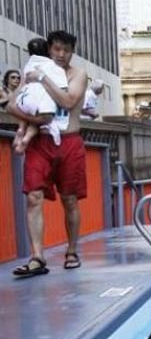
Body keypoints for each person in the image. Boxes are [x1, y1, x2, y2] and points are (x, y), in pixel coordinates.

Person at [7, 30, 88, 277]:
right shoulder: (33, 70)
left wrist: (42, 78)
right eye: (56, 49)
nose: (61, 54)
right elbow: (12, 104)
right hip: (40, 142)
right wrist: (35, 120)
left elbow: (67, 101)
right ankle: (37, 257)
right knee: (33, 196)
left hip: (69, 141)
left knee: (69, 199)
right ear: (49, 49)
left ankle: (72, 251)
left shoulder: (77, 74)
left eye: (66, 50)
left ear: (72, 52)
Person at [12, 38, 69, 154]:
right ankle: (27, 137)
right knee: (41, 120)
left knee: (25, 113)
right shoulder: (52, 65)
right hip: (40, 96)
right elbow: (63, 88)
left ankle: (21, 129)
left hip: (25, 96)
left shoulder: (28, 64)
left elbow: (24, 81)